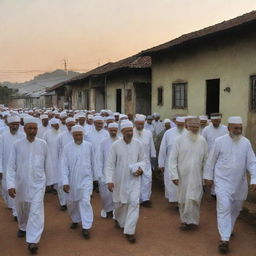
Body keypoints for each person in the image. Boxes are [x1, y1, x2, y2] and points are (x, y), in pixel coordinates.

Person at [203, 116, 256, 254]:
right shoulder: (219, 142)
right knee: (224, 208)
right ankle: (224, 239)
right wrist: (208, 177)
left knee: (236, 209)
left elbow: (252, 162)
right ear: (228, 129)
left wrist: (254, 179)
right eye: (235, 128)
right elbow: (211, 161)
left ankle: (228, 229)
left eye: (240, 128)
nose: (238, 131)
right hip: (222, 182)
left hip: (240, 183)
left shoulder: (246, 143)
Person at [6, 117, 51, 254]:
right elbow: (11, 167)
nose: (32, 131)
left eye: (34, 128)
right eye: (29, 128)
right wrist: (11, 184)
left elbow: (47, 165)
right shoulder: (17, 145)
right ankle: (23, 226)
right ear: (24, 129)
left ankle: (33, 240)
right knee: (22, 208)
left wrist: (49, 182)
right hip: (21, 183)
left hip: (38, 183)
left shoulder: (43, 144)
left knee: (36, 210)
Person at [105, 120, 145, 243]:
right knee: (119, 203)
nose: (129, 133)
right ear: (121, 132)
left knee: (133, 203)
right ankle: (117, 217)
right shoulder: (115, 145)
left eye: (131, 131)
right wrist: (109, 180)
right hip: (119, 180)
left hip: (134, 180)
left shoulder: (138, 144)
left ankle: (130, 232)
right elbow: (110, 164)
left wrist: (140, 170)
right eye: (127, 131)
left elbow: (143, 160)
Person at [170, 118, 208, 231]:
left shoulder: (202, 141)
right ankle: (184, 220)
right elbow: (172, 160)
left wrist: (205, 177)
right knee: (182, 200)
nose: (195, 129)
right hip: (183, 176)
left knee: (195, 199)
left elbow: (206, 160)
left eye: (197, 127)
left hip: (197, 176)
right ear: (187, 127)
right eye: (193, 127)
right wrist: (174, 175)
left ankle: (193, 220)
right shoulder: (179, 140)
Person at [62, 125, 94, 239]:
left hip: (86, 179)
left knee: (85, 201)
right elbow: (64, 166)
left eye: (80, 134)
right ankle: (75, 219)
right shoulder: (67, 148)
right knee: (72, 203)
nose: (78, 136)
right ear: (72, 135)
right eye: (76, 134)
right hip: (71, 181)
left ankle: (86, 227)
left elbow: (93, 163)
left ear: (83, 134)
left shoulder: (89, 146)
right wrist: (65, 182)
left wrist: (94, 180)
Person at [0, 114, 25, 219]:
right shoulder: (2, 137)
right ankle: (13, 207)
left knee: (18, 189)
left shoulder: (23, 136)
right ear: (9, 125)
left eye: (17, 124)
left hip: (20, 167)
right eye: (13, 124)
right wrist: (0, 169)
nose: (15, 126)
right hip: (6, 167)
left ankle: (16, 212)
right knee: (7, 188)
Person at [158, 117, 185, 206]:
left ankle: (181, 202)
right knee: (171, 183)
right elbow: (162, 149)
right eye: (179, 124)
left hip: (184, 163)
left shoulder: (188, 133)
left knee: (183, 183)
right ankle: (176, 202)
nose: (180, 125)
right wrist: (161, 163)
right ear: (176, 123)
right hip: (170, 162)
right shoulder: (168, 133)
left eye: (182, 124)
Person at [202, 113, 228, 197]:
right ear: (211, 120)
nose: (216, 122)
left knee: (220, 173)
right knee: (211, 173)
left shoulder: (225, 129)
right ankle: (213, 192)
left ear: (220, 120)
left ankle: (218, 192)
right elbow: (203, 142)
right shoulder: (206, 129)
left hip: (222, 156)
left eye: (218, 120)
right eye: (214, 121)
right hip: (210, 156)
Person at [133, 114, 156, 207]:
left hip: (146, 160)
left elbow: (151, 146)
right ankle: (136, 199)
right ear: (135, 123)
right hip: (134, 160)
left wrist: (153, 156)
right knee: (135, 179)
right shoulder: (131, 132)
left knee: (147, 179)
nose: (140, 126)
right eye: (138, 124)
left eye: (141, 124)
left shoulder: (148, 133)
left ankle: (145, 199)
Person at [98, 122, 120, 218]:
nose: (113, 132)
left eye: (115, 130)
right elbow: (99, 158)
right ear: (108, 130)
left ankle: (117, 212)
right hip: (105, 171)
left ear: (117, 130)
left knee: (117, 193)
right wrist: (99, 173)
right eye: (111, 130)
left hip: (118, 171)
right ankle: (108, 210)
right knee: (106, 194)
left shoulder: (121, 141)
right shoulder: (103, 142)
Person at [57, 117, 76, 210]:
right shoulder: (61, 136)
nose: (71, 127)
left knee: (73, 182)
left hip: (75, 162)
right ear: (66, 125)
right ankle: (63, 203)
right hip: (63, 161)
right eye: (69, 125)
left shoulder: (79, 134)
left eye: (73, 124)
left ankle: (71, 201)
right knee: (61, 183)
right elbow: (57, 150)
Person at [43, 118, 62, 196]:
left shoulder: (61, 133)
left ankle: (57, 188)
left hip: (60, 156)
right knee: (50, 170)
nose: (57, 126)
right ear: (51, 125)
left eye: (58, 125)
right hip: (50, 155)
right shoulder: (46, 134)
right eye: (55, 125)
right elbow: (44, 145)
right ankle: (50, 185)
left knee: (59, 171)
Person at [87, 116, 109, 183]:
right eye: (98, 123)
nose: (100, 125)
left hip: (103, 155)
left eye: (101, 123)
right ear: (94, 123)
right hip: (92, 155)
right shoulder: (88, 134)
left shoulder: (106, 133)